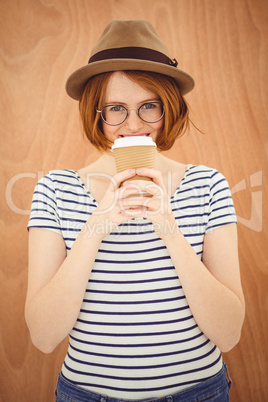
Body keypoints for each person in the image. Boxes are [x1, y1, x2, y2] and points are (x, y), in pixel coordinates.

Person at [25, 19, 245, 402]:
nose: (133, 125)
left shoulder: (208, 185)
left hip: (200, 393)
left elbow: (229, 333)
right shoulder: (55, 190)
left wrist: (170, 228)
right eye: (115, 108)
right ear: (97, 113)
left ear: (169, 109)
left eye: (149, 106)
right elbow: (44, 337)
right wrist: (97, 223)